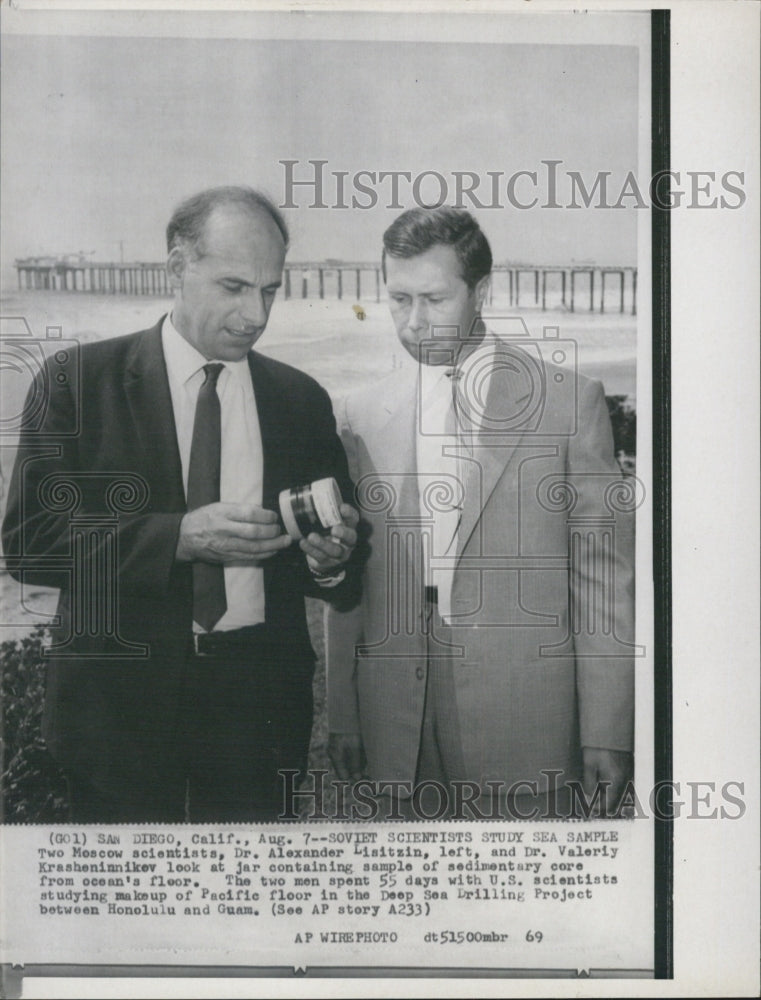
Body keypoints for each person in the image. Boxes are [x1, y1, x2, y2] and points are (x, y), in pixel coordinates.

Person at [2, 186, 359, 823]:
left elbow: (340, 575)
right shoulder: (74, 382)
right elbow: (28, 543)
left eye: (270, 290)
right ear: (176, 267)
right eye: (233, 287)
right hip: (117, 711)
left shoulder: (302, 400)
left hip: (258, 709)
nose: (256, 314)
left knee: (250, 913)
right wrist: (178, 537)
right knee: (127, 913)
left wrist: (331, 558)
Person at [325, 206, 635, 820]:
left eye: (435, 299)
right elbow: (348, 578)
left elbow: (603, 581)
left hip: (528, 717)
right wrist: (343, 712)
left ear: (481, 291)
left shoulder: (570, 404)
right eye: (398, 299)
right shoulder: (359, 415)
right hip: (395, 723)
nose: (414, 323)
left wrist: (608, 726)